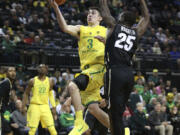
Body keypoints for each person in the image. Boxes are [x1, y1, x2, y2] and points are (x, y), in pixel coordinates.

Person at [49, 0, 110, 135]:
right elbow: (64, 27)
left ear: (100, 18)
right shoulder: (81, 29)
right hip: (87, 70)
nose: (89, 15)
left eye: (93, 13)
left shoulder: (106, 31)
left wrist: (107, 42)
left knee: (72, 86)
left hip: (99, 68)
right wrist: (56, 8)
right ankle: (120, 130)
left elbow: (119, 51)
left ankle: (79, 122)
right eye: (88, 13)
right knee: (94, 108)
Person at [98, 0, 150, 134]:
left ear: (122, 18)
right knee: (119, 113)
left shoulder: (115, 26)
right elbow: (146, 17)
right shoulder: (136, 32)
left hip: (115, 72)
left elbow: (104, 13)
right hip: (129, 74)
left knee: (113, 112)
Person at [22, 64, 57, 135]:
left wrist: (53, 106)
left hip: (45, 106)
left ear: (47, 70)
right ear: (37, 69)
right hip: (34, 106)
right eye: (40, 67)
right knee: (32, 130)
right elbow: (26, 93)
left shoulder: (50, 81)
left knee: (52, 128)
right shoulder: (32, 81)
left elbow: (50, 94)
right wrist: (23, 106)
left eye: (43, 67)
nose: (41, 69)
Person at [0, 67, 17, 135]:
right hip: (2, 109)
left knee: (8, 128)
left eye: (14, 71)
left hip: (5, 109)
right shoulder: (5, 83)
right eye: (10, 71)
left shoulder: (10, 83)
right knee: (7, 129)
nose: (13, 73)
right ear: (6, 73)